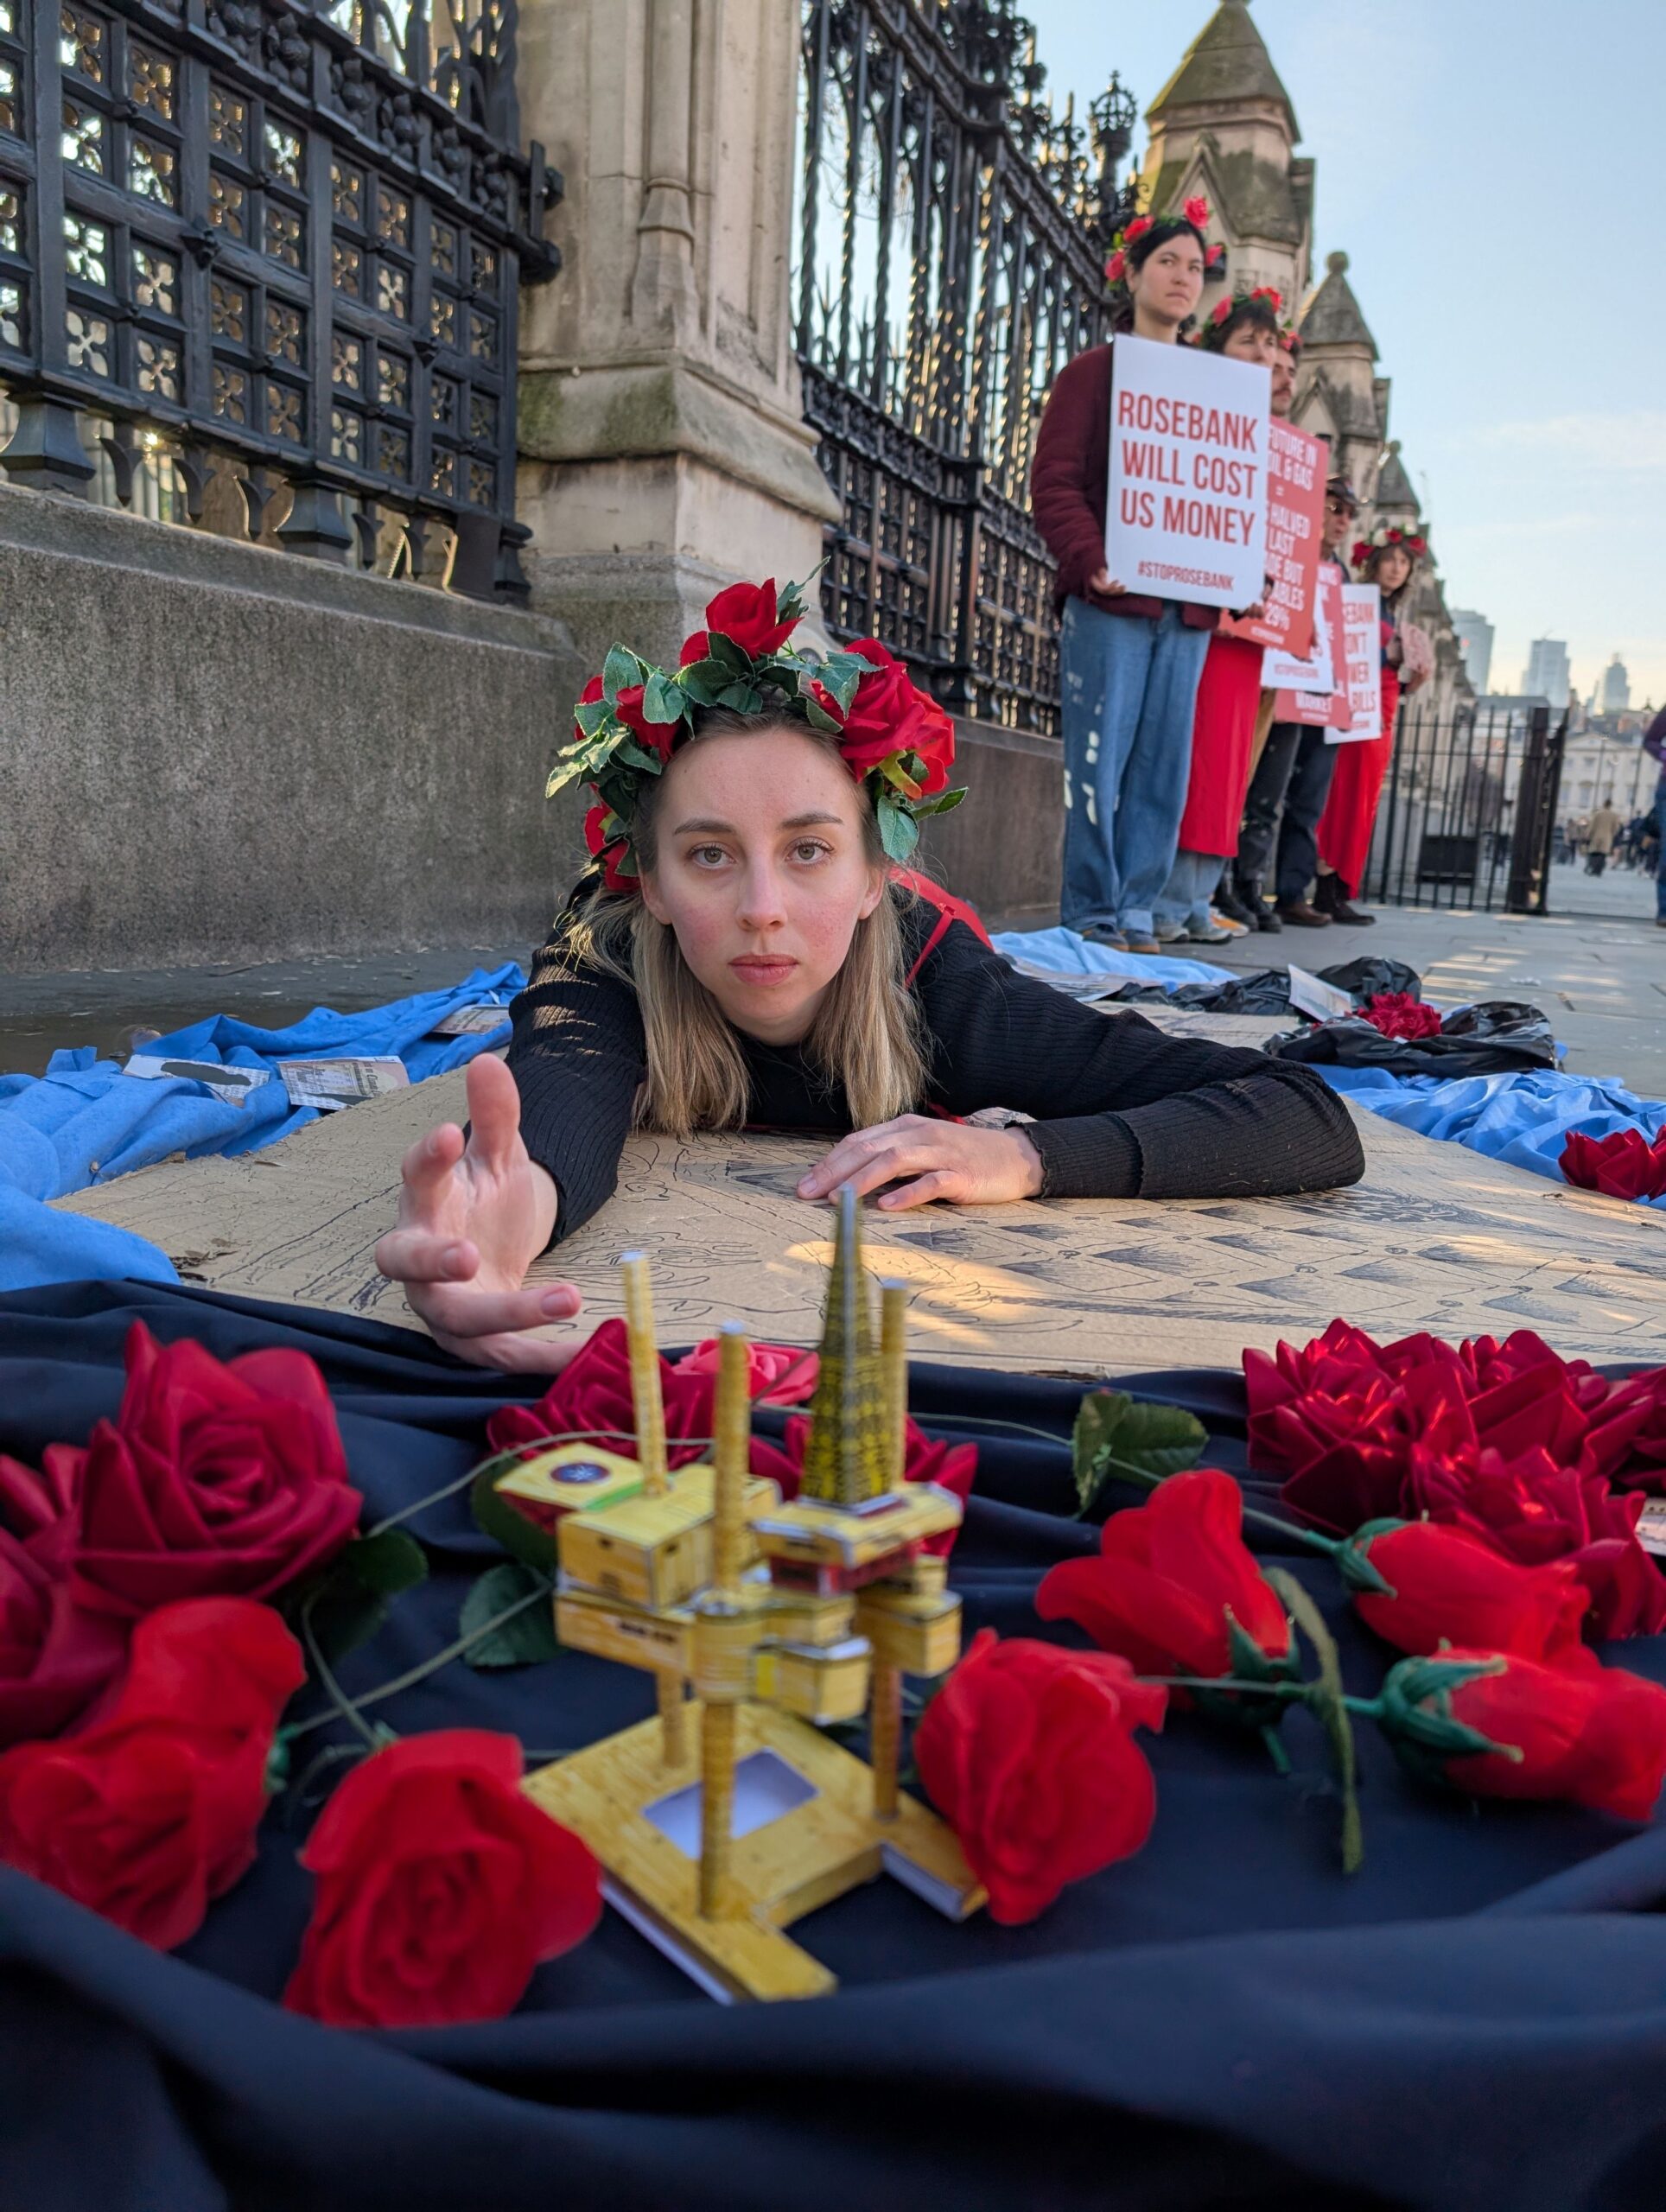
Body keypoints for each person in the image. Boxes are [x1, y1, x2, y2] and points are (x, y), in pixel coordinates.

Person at [372, 578, 1365, 1370]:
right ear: (654, 882)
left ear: (871, 878)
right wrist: (511, 1214)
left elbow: (1302, 1113)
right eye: (710, 854)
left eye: (807, 850)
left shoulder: (945, 985)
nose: (761, 905)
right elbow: (561, 1090)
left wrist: (1026, 1159)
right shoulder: (606, 956)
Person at [1031, 197, 1225, 957]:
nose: (1183, 277)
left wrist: (1238, 569)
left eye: (1194, 267)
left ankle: (1139, 906)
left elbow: (1225, 493)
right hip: (1112, 599)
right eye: (1168, 262)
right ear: (1135, 274)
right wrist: (1091, 560)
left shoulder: (1215, 392)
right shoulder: (1092, 374)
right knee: (1097, 760)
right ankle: (1091, 907)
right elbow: (1055, 481)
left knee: (1163, 766)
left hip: (1189, 608)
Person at [1155, 287, 1287, 944]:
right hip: (1206, 617)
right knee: (1196, 760)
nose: (1264, 354)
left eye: (1271, 344)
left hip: (1250, 625)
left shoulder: (1274, 440)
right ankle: (1171, 895)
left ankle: (1197, 895)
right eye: (1249, 341)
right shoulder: (1197, 410)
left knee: (1230, 769)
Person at [1235, 476, 1360, 930]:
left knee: (1308, 804)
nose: (1341, 520)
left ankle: (1291, 891)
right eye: (1334, 508)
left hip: (1324, 702)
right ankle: (1245, 884)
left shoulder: (1342, 574)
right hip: (1288, 691)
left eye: (1348, 514)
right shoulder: (1292, 559)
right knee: (1265, 794)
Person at [1313, 524, 1433, 925]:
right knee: (1344, 795)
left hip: (1383, 706)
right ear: (1374, 563)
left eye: (1404, 563)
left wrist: (1411, 677)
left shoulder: (1392, 613)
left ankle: (1337, 888)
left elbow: (1388, 670)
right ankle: (1326, 887)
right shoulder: (1357, 600)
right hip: (1356, 706)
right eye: (1391, 560)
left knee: (1363, 798)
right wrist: (1390, 653)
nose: (1397, 569)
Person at [1585, 793, 1621, 876]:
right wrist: (1613, 834)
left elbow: (1592, 825)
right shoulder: (1614, 815)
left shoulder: (1598, 814)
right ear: (1611, 805)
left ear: (1604, 804)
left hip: (1596, 836)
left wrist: (1588, 834)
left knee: (1594, 852)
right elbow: (1616, 828)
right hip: (1607, 837)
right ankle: (1599, 871)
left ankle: (1593, 868)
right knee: (1603, 854)